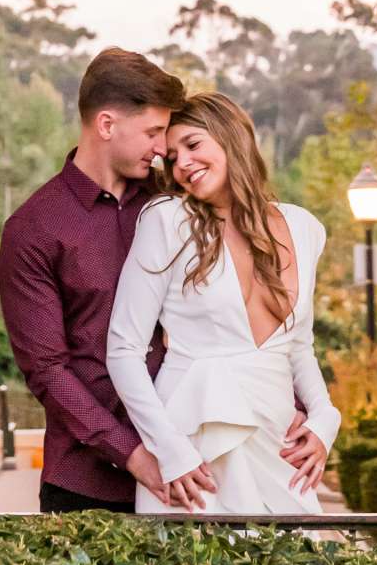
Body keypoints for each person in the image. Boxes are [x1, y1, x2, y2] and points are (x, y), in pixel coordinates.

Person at [105, 91, 341, 515]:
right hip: (194, 447)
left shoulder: (305, 228)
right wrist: (170, 450)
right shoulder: (167, 221)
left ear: (232, 138)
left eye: (193, 145)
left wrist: (326, 417)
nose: (182, 166)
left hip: (278, 445)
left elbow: (299, 346)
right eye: (172, 158)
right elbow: (123, 351)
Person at [0, 46, 187, 513]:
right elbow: (47, 371)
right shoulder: (34, 229)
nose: (162, 148)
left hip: (192, 469)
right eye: (153, 132)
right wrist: (132, 454)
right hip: (85, 488)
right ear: (106, 125)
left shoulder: (177, 206)